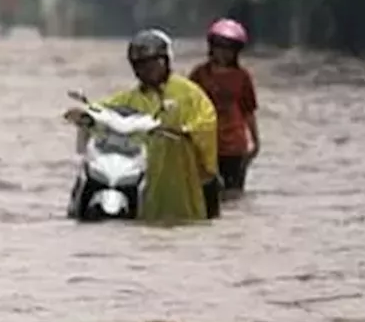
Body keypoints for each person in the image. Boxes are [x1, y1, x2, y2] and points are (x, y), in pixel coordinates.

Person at [67, 29, 218, 223]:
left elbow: (206, 120)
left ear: (165, 61)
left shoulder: (188, 93)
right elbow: (108, 109)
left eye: (153, 62)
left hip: (180, 171)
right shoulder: (132, 98)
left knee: (184, 220)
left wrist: (186, 131)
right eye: (140, 65)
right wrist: (87, 115)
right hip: (146, 172)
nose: (147, 69)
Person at [189, 18, 260, 196]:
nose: (223, 53)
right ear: (211, 47)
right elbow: (188, 106)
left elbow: (248, 110)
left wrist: (256, 142)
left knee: (233, 194)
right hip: (205, 143)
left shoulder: (242, 77)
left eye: (229, 48)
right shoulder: (199, 74)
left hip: (234, 145)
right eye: (219, 46)